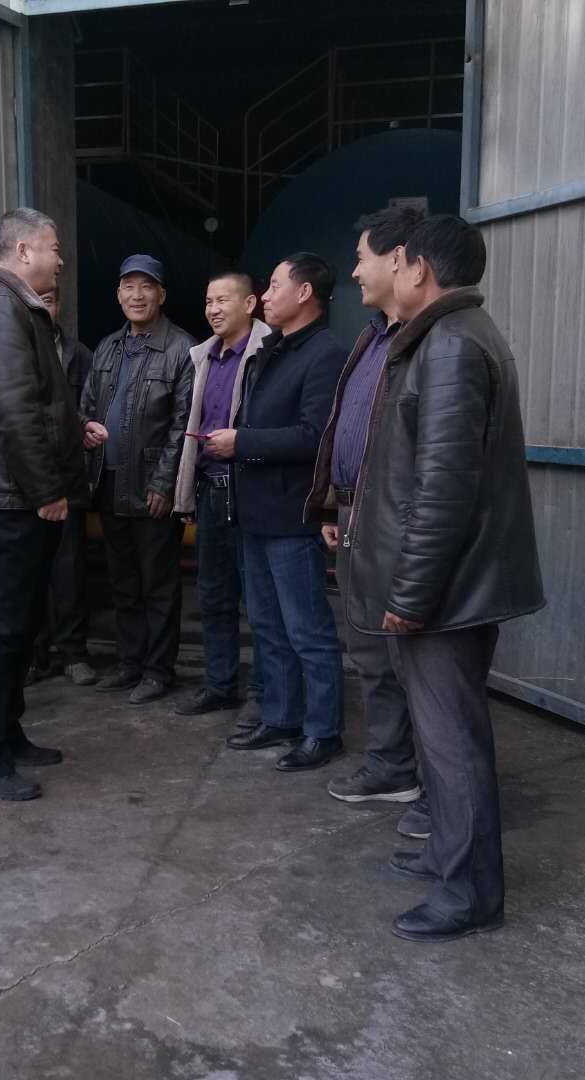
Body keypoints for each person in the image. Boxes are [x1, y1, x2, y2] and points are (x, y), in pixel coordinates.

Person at [325, 214, 543, 942]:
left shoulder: (448, 345)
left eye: (379, 260)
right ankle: (450, 858)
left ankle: (470, 893)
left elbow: (443, 489)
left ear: (416, 267)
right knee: (444, 738)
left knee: (453, 746)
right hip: (451, 585)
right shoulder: (445, 338)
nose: (365, 271)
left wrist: (411, 595)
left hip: (445, 592)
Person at [0, 207, 87, 801]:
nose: (60, 260)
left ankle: (7, 734)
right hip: (6, 499)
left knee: (17, 628)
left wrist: (73, 431)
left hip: (14, 495)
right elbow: (10, 406)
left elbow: (38, 404)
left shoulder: (12, 307)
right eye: (53, 248)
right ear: (24, 251)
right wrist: (45, 490)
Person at [309, 207, 432, 837]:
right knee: (370, 652)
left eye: (361, 257)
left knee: (416, 661)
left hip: (397, 520)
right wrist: (335, 503)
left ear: (399, 259)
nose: (354, 271)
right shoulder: (374, 337)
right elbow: (350, 426)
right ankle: (392, 766)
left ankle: (439, 790)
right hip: (356, 513)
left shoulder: (430, 341)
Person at [219, 254, 348, 771]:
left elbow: (315, 436)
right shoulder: (270, 349)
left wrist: (241, 442)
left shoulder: (326, 354)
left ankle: (323, 730)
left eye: (274, 286)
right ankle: (280, 717)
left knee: (307, 630)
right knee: (268, 626)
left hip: (293, 516)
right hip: (254, 513)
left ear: (305, 293)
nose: (265, 296)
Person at [80, 255, 195, 705]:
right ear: (118, 294)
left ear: (161, 295)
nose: (137, 295)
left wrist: (165, 483)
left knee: (158, 585)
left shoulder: (181, 349)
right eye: (128, 286)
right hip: (108, 482)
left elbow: (183, 425)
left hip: (151, 487)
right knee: (123, 582)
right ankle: (130, 662)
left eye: (146, 286)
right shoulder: (107, 347)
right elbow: (88, 406)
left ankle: (158, 670)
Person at [172, 271, 268, 719]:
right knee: (213, 595)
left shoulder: (267, 353)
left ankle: (264, 693)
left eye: (223, 300)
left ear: (249, 304)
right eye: (209, 301)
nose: (213, 309)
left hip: (249, 491)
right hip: (210, 490)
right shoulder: (202, 357)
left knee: (260, 601)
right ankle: (219, 684)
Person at [26, 286, 98, 687]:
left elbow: (91, 407)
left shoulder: (78, 354)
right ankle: (35, 655)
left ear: (59, 306)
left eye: (50, 300)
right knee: (29, 570)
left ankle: (73, 653)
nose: (43, 307)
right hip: (24, 480)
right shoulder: (11, 348)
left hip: (66, 477)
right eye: (36, 300)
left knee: (68, 569)